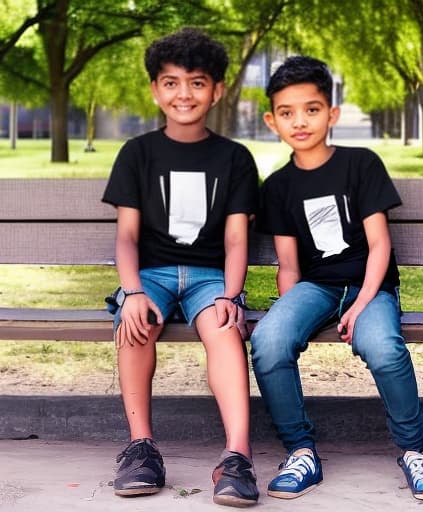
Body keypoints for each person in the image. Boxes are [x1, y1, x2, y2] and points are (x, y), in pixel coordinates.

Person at [251, 55, 423, 502]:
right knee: (268, 340)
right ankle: (301, 451)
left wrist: (361, 305)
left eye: (312, 109)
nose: (299, 121)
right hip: (316, 287)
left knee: (383, 347)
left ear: (332, 113)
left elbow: (380, 245)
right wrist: (290, 317)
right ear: (272, 120)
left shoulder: (360, 165)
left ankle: (415, 451)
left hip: (370, 285)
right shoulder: (278, 187)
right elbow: (288, 265)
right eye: (287, 113)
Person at [102, 28, 259, 507]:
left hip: (210, 277)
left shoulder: (234, 158)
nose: (183, 93)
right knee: (136, 323)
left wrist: (231, 295)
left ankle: (236, 458)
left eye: (196, 82)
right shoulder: (138, 154)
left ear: (217, 90)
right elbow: (127, 237)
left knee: (223, 327)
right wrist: (130, 292)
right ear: (155, 90)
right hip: (151, 274)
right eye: (170, 82)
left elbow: (236, 240)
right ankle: (141, 448)